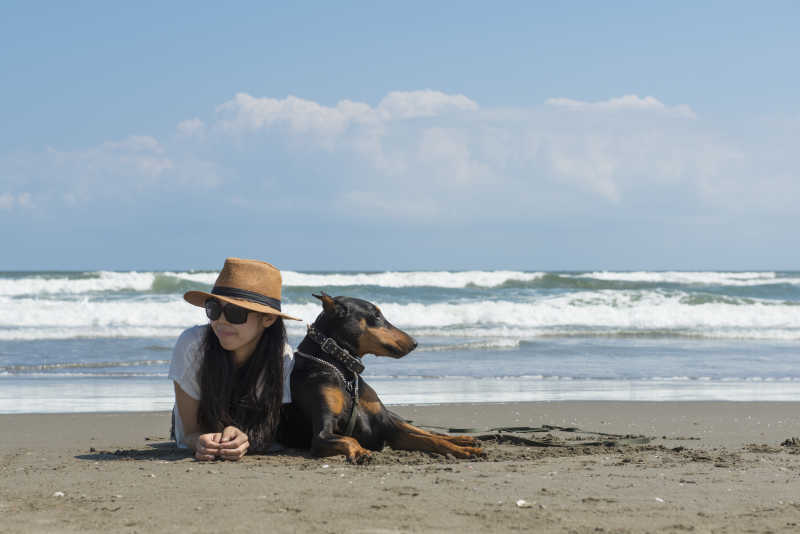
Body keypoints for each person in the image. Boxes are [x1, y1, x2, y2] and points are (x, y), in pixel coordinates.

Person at [168, 258, 301, 461]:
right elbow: (188, 432)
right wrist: (198, 440)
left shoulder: (281, 358)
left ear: (268, 319)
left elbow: (271, 425)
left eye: (235, 312)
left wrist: (246, 438)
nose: (221, 320)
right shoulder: (192, 346)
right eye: (214, 309)